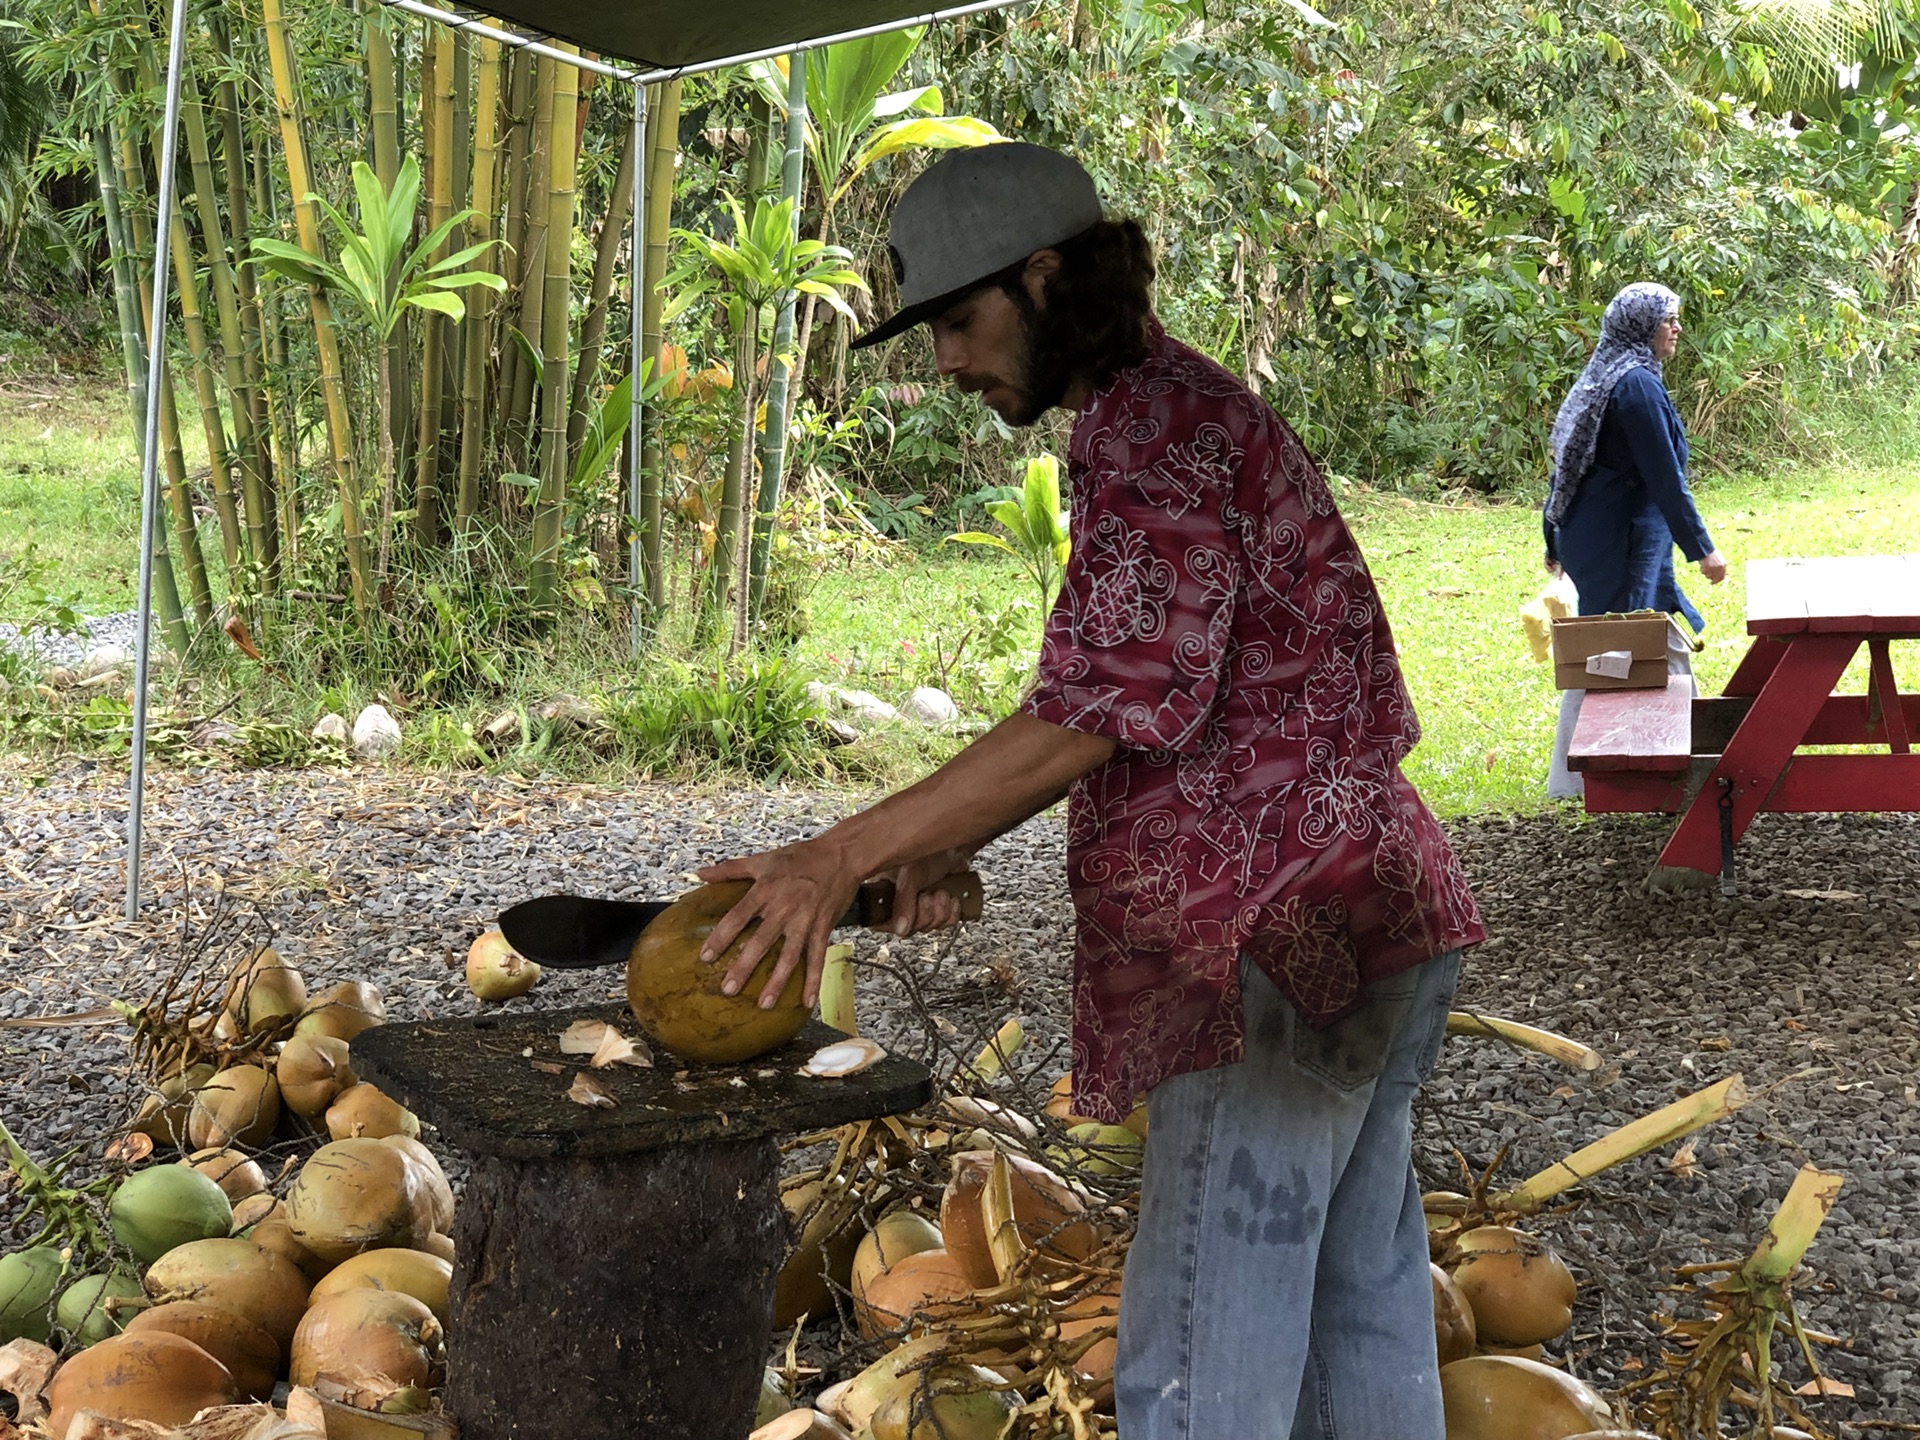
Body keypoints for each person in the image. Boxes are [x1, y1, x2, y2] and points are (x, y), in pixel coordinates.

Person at [694, 143, 1485, 1439]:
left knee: (1197, 1356)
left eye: (958, 320)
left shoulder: (1154, 428)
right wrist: (937, 846)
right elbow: (1182, 720)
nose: (943, 361)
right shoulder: (1181, 413)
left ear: (1049, 279)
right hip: (1366, 916)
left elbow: (1099, 709)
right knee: (1362, 1313)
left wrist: (836, 854)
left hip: (1273, 951)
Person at [1542, 281, 1729, 799]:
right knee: (1608, 652)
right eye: (1668, 320)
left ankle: (1682, 754)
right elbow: (1664, 477)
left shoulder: (1611, 374)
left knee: (1660, 632)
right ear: (1642, 328)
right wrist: (1704, 550)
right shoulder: (1634, 385)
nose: (1676, 329)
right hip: (1617, 538)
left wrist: (1552, 535)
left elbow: (1565, 466)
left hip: (1621, 534)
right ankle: (1580, 782)